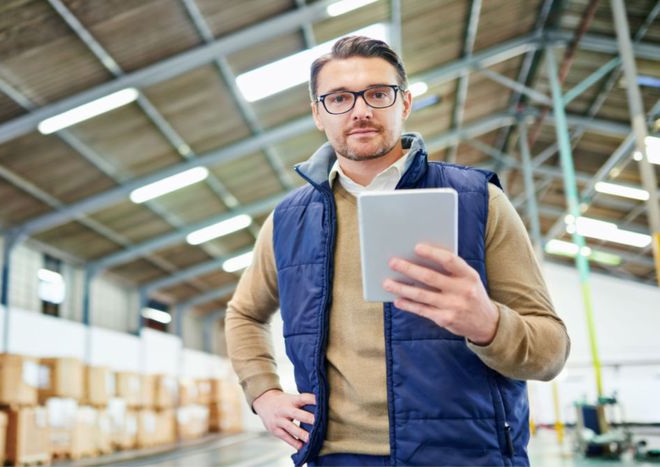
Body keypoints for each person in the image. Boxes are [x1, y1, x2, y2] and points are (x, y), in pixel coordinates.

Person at [225, 35, 570, 466]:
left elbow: (551, 351)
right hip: (338, 457)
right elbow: (244, 313)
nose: (361, 110)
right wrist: (264, 393)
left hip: (464, 455)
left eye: (377, 93)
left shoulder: (478, 201)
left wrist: (488, 323)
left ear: (404, 104)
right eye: (338, 98)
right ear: (317, 113)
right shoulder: (288, 220)